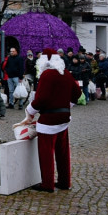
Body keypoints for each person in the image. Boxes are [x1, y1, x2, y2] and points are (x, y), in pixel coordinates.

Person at [19, 48, 82, 192]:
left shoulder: (46, 75)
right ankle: (65, 182)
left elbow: (41, 99)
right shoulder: (65, 73)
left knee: (46, 152)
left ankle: (47, 184)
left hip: (49, 119)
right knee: (63, 152)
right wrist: (68, 104)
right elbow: (77, 92)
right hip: (64, 117)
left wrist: (29, 110)